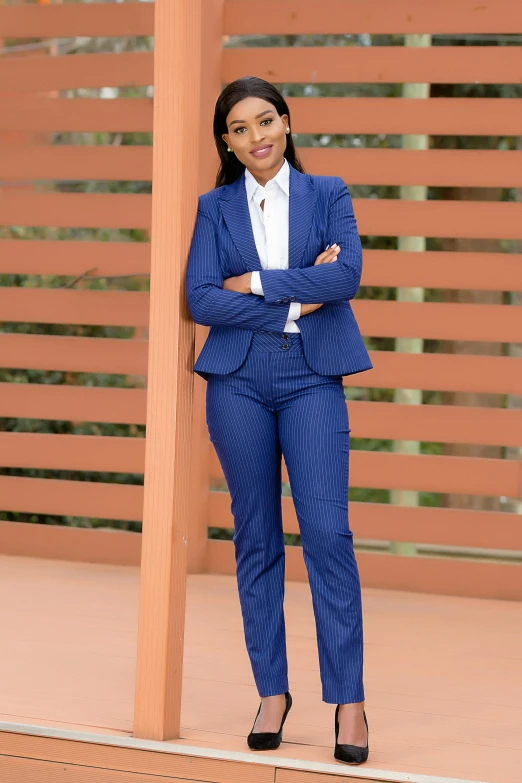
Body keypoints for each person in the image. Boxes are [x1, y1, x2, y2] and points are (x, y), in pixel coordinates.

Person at [185, 76, 372, 765]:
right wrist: (297, 298)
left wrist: (259, 282)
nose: (256, 136)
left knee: (328, 532)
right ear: (227, 143)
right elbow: (201, 297)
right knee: (256, 536)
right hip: (235, 382)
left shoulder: (329, 194)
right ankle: (272, 689)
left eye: (266, 121)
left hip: (311, 377)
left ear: (287, 124)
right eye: (239, 128)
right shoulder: (215, 207)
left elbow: (345, 276)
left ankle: (348, 698)